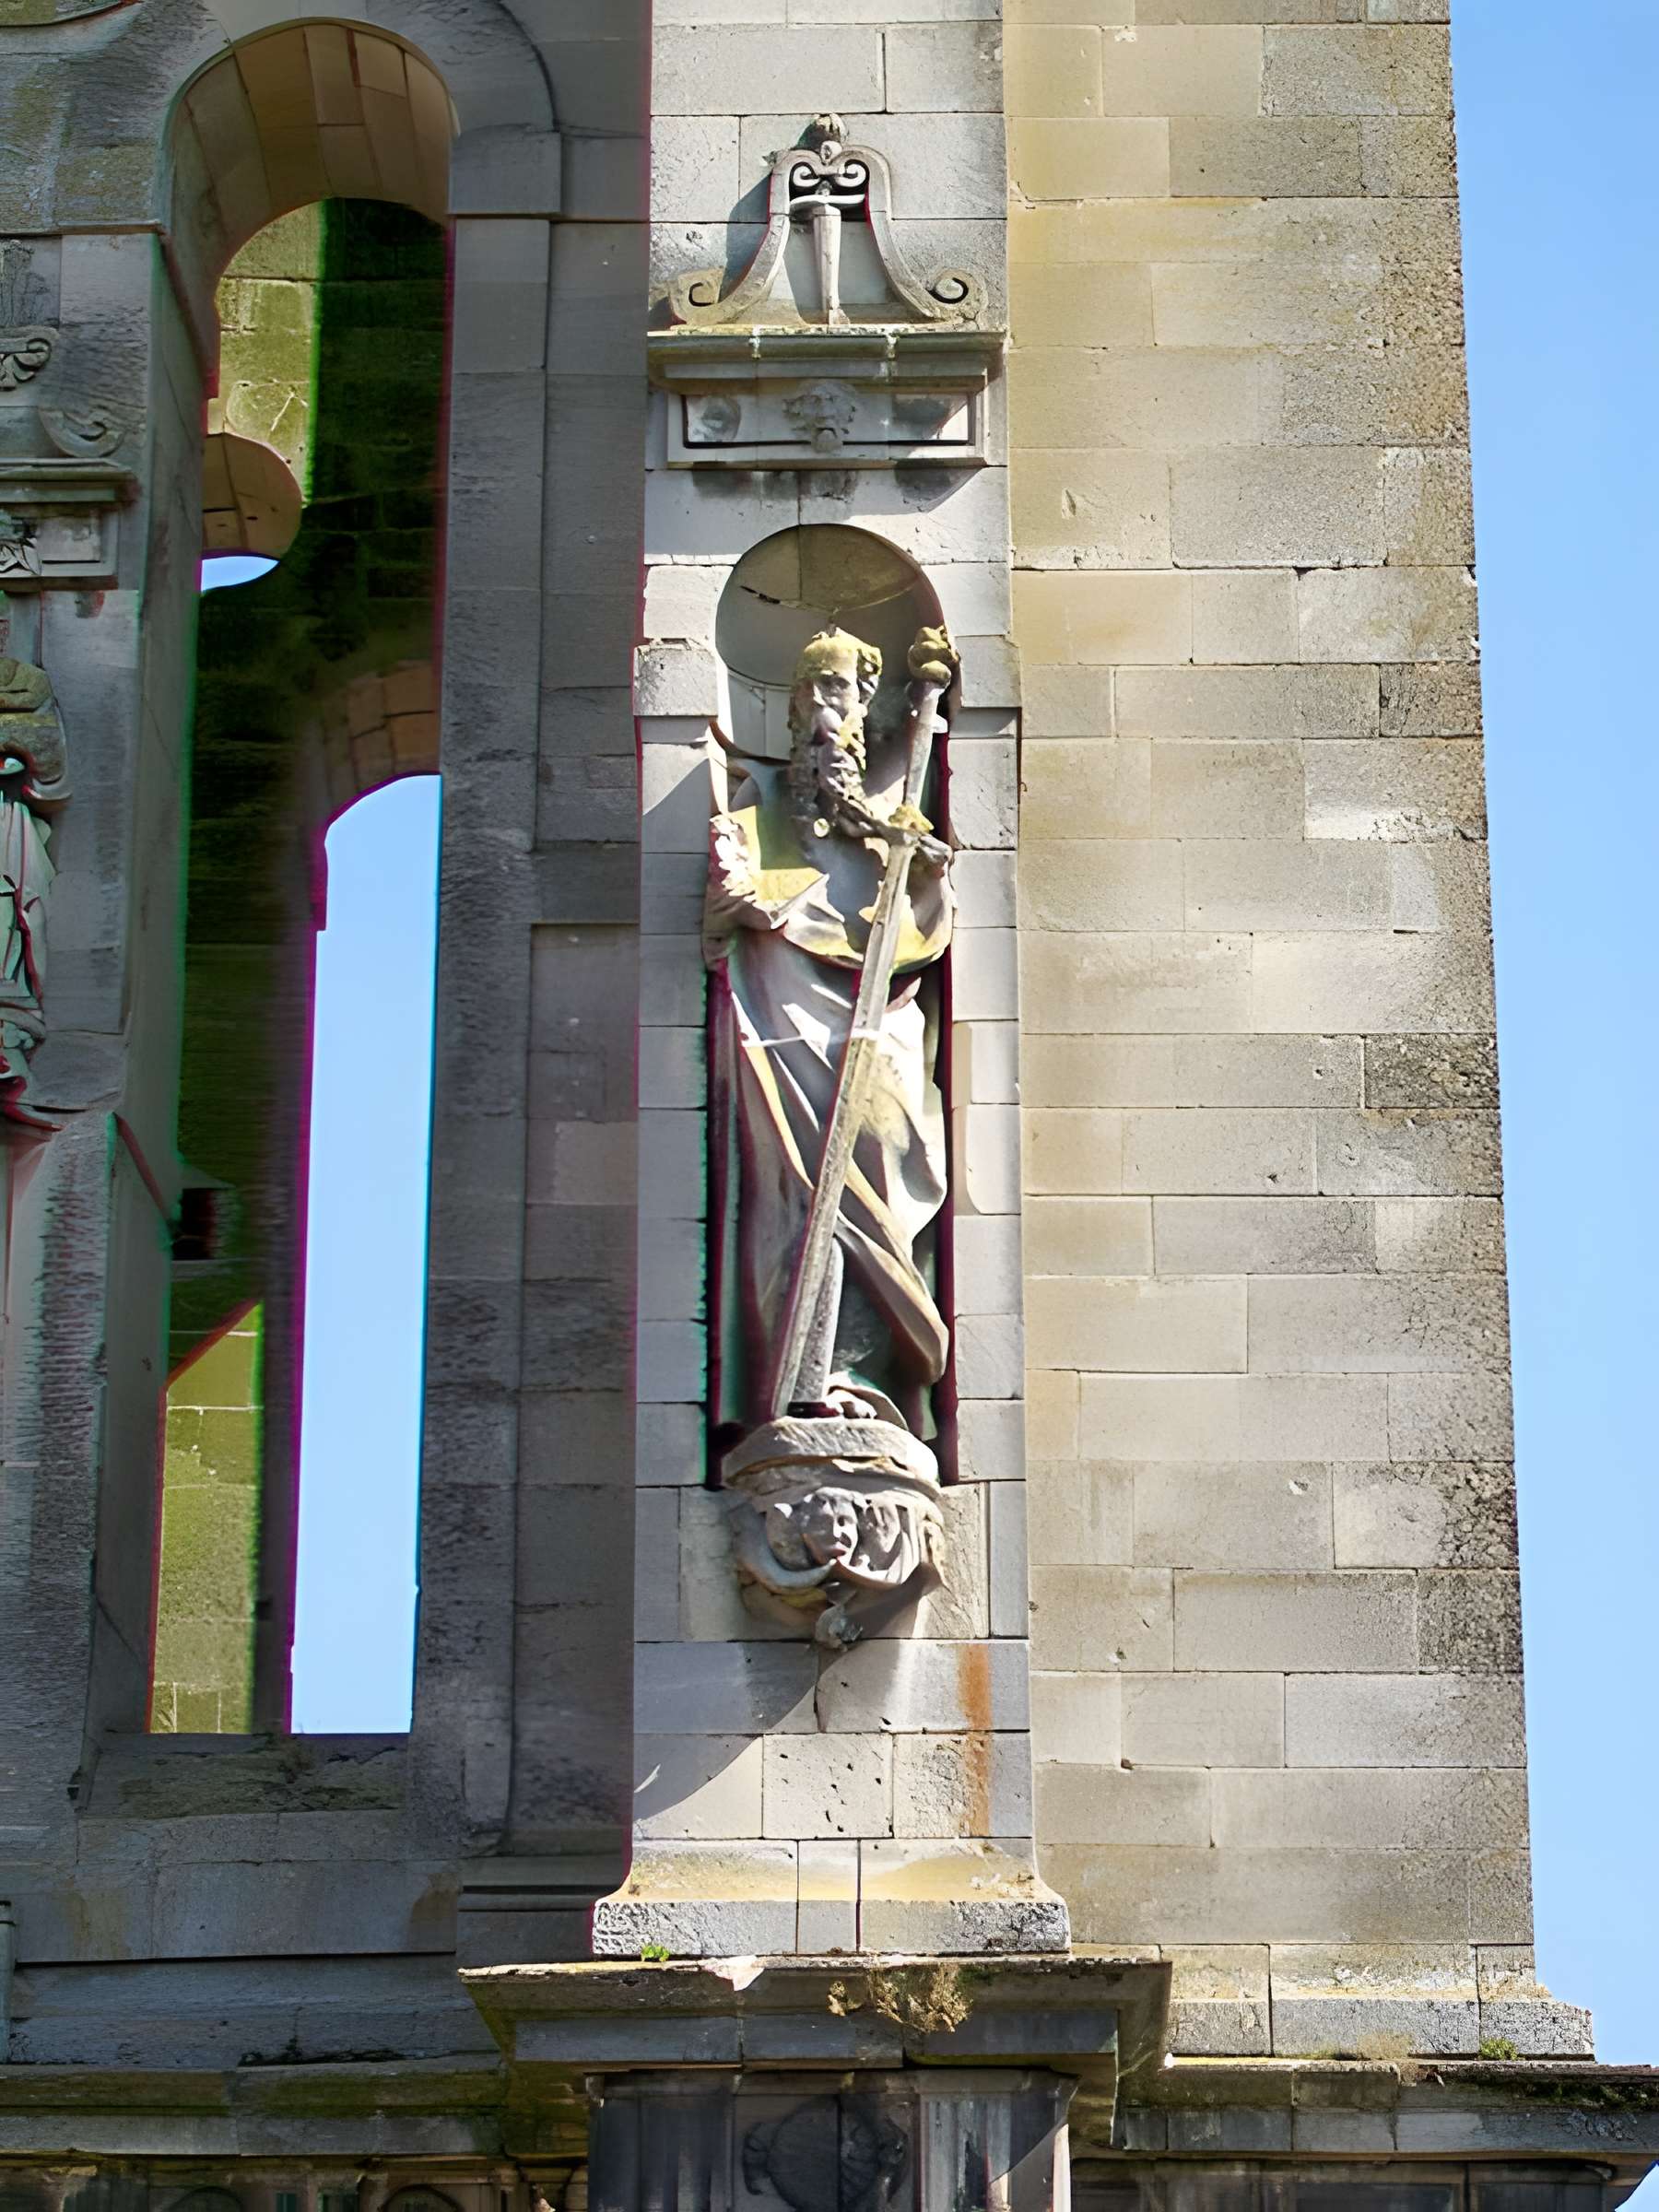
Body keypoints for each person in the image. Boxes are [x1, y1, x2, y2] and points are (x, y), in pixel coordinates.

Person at [705, 624, 955, 1439]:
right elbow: (726, 894)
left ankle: (874, 1378)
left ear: (865, 702)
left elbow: (924, 908)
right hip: (778, 1017)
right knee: (791, 1196)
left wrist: (919, 865)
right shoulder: (763, 798)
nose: (821, 706)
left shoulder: (892, 798)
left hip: (875, 1012)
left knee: (882, 1156)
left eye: (838, 689)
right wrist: (733, 901)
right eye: (809, 690)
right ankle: (802, 1379)